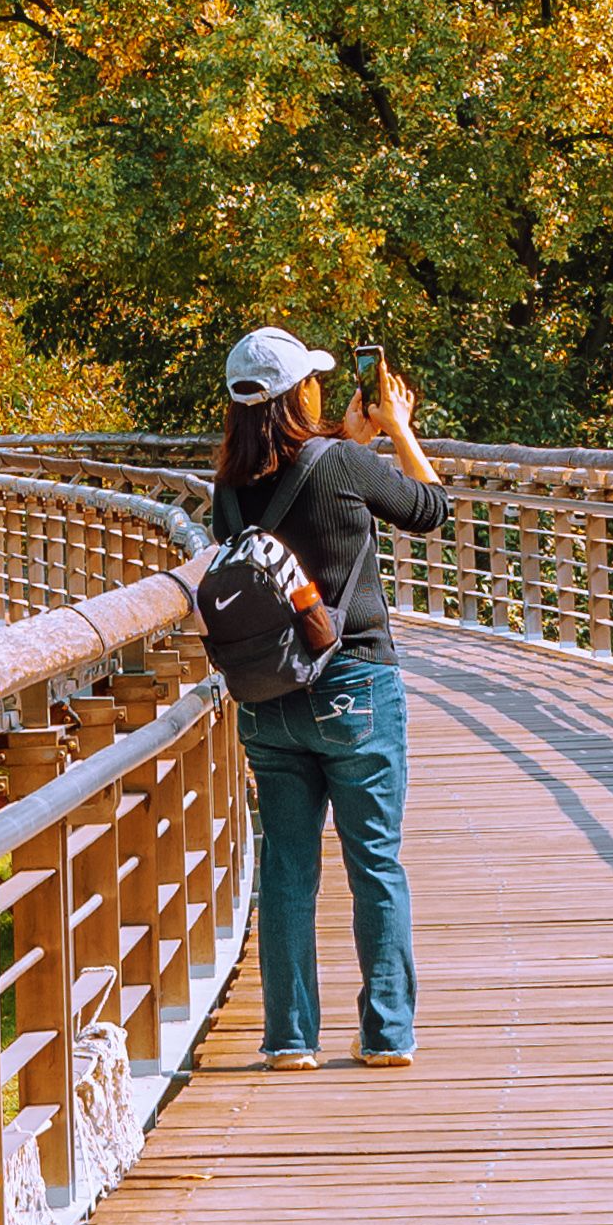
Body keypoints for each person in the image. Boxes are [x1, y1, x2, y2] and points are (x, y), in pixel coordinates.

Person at [211, 318, 448, 1068]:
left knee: (286, 865)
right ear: (297, 394)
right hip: (353, 686)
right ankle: (387, 1034)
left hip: (268, 695)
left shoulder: (227, 487)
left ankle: (289, 1038)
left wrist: (347, 441)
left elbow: (292, 516)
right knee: (373, 860)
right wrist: (398, 429)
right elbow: (429, 509)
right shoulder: (342, 463)